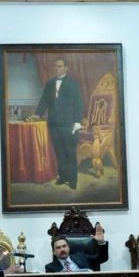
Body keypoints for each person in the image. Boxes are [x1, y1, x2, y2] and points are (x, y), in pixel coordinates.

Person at [32, 58, 84, 190]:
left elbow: (78, 103)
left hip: (69, 124)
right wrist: (38, 114)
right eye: (56, 66)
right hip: (54, 123)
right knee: (59, 152)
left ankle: (73, 180)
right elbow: (44, 100)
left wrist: (77, 121)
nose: (57, 68)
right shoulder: (49, 83)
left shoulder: (73, 83)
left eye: (60, 66)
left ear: (66, 68)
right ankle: (63, 177)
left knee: (69, 152)